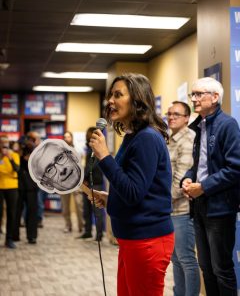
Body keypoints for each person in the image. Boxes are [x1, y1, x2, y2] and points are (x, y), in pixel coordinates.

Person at [88, 73, 174, 296]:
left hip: (147, 240)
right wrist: (111, 198)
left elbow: (134, 192)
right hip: (131, 238)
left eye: (118, 95)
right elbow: (136, 188)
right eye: (110, 96)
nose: (111, 102)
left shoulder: (147, 137)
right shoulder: (132, 136)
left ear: (137, 99)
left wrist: (105, 158)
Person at [182, 77, 240, 296]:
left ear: (215, 97)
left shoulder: (228, 125)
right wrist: (187, 179)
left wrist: (203, 187)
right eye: (192, 95)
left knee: (221, 269)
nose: (194, 99)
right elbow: (200, 166)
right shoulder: (200, 126)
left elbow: (235, 168)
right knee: (206, 268)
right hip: (199, 207)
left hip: (220, 208)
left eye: (199, 94)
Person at [166, 101, 200, 296]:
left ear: (187, 118)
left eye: (176, 114)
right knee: (176, 259)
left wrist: (159, 200)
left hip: (183, 209)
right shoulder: (171, 139)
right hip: (170, 209)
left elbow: (180, 180)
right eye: (169, 114)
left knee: (186, 259)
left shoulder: (188, 139)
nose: (171, 117)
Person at [78, 127, 104, 241]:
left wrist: (85, 177)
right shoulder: (87, 149)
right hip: (86, 183)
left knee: (97, 210)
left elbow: (92, 165)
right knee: (86, 210)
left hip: (95, 183)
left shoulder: (97, 148)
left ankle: (99, 234)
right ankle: (87, 231)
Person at [13, 136, 39, 244]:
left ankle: (32, 236)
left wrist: (31, 156)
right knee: (16, 211)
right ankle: (14, 235)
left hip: (31, 186)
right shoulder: (16, 154)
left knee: (32, 212)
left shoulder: (35, 153)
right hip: (19, 186)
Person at [60, 131, 83, 233]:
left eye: (68, 137)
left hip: (76, 181)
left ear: (72, 138)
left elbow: (80, 165)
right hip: (64, 182)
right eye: (65, 137)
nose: (66, 138)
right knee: (65, 206)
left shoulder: (77, 150)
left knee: (79, 204)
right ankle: (67, 225)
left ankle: (81, 226)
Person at [0, 135, 20, 249]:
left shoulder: (14, 155)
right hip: (0, 187)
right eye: (2, 144)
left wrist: (9, 158)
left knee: (11, 213)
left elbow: (16, 169)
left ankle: (9, 239)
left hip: (12, 187)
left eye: (6, 144)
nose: (4, 146)